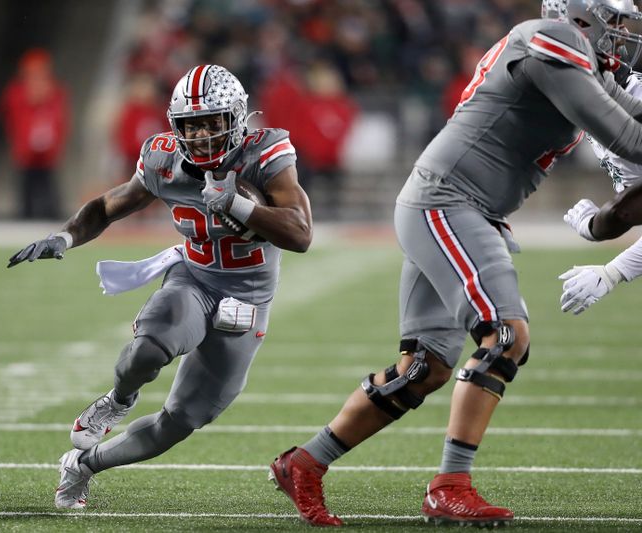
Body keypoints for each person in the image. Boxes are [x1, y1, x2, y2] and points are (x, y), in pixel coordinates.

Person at [269, 0, 642, 527]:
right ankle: (450, 485)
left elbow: (631, 115)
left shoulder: (571, 57)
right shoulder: (552, 42)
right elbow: (628, 138)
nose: (624, 33)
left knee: (425, 368)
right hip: (450, 201)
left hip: (458, 205)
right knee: (506, 336)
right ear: (582, 16)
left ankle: (304, 462)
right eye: (617, 20)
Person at [6, 64, 312, 510]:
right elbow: (108, 205)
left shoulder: (265, 153)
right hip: (195, 277)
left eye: (212, 122)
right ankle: (118, 399)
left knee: (182, 419)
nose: (203, 135)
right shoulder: (164, 157)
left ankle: (83, 465)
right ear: (175, 126)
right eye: (192, 125)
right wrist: (65, 237)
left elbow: (301, 234)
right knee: (150, 346)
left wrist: (238, 204)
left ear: (238, 118)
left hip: (246, 301)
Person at [560, 65, 642, 314]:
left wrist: (612, 272)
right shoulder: (591, 105)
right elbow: (631, 208)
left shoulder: (636, 94)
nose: (625, 33)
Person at [0, 48, 69, 220]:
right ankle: (27, 215)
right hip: (25, 151)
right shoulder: (17, 93)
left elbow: (61, 120)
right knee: (27, 185)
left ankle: (50, 213)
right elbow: (10, 118)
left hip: (47, 152)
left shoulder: (55, 92)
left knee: (47, 184)